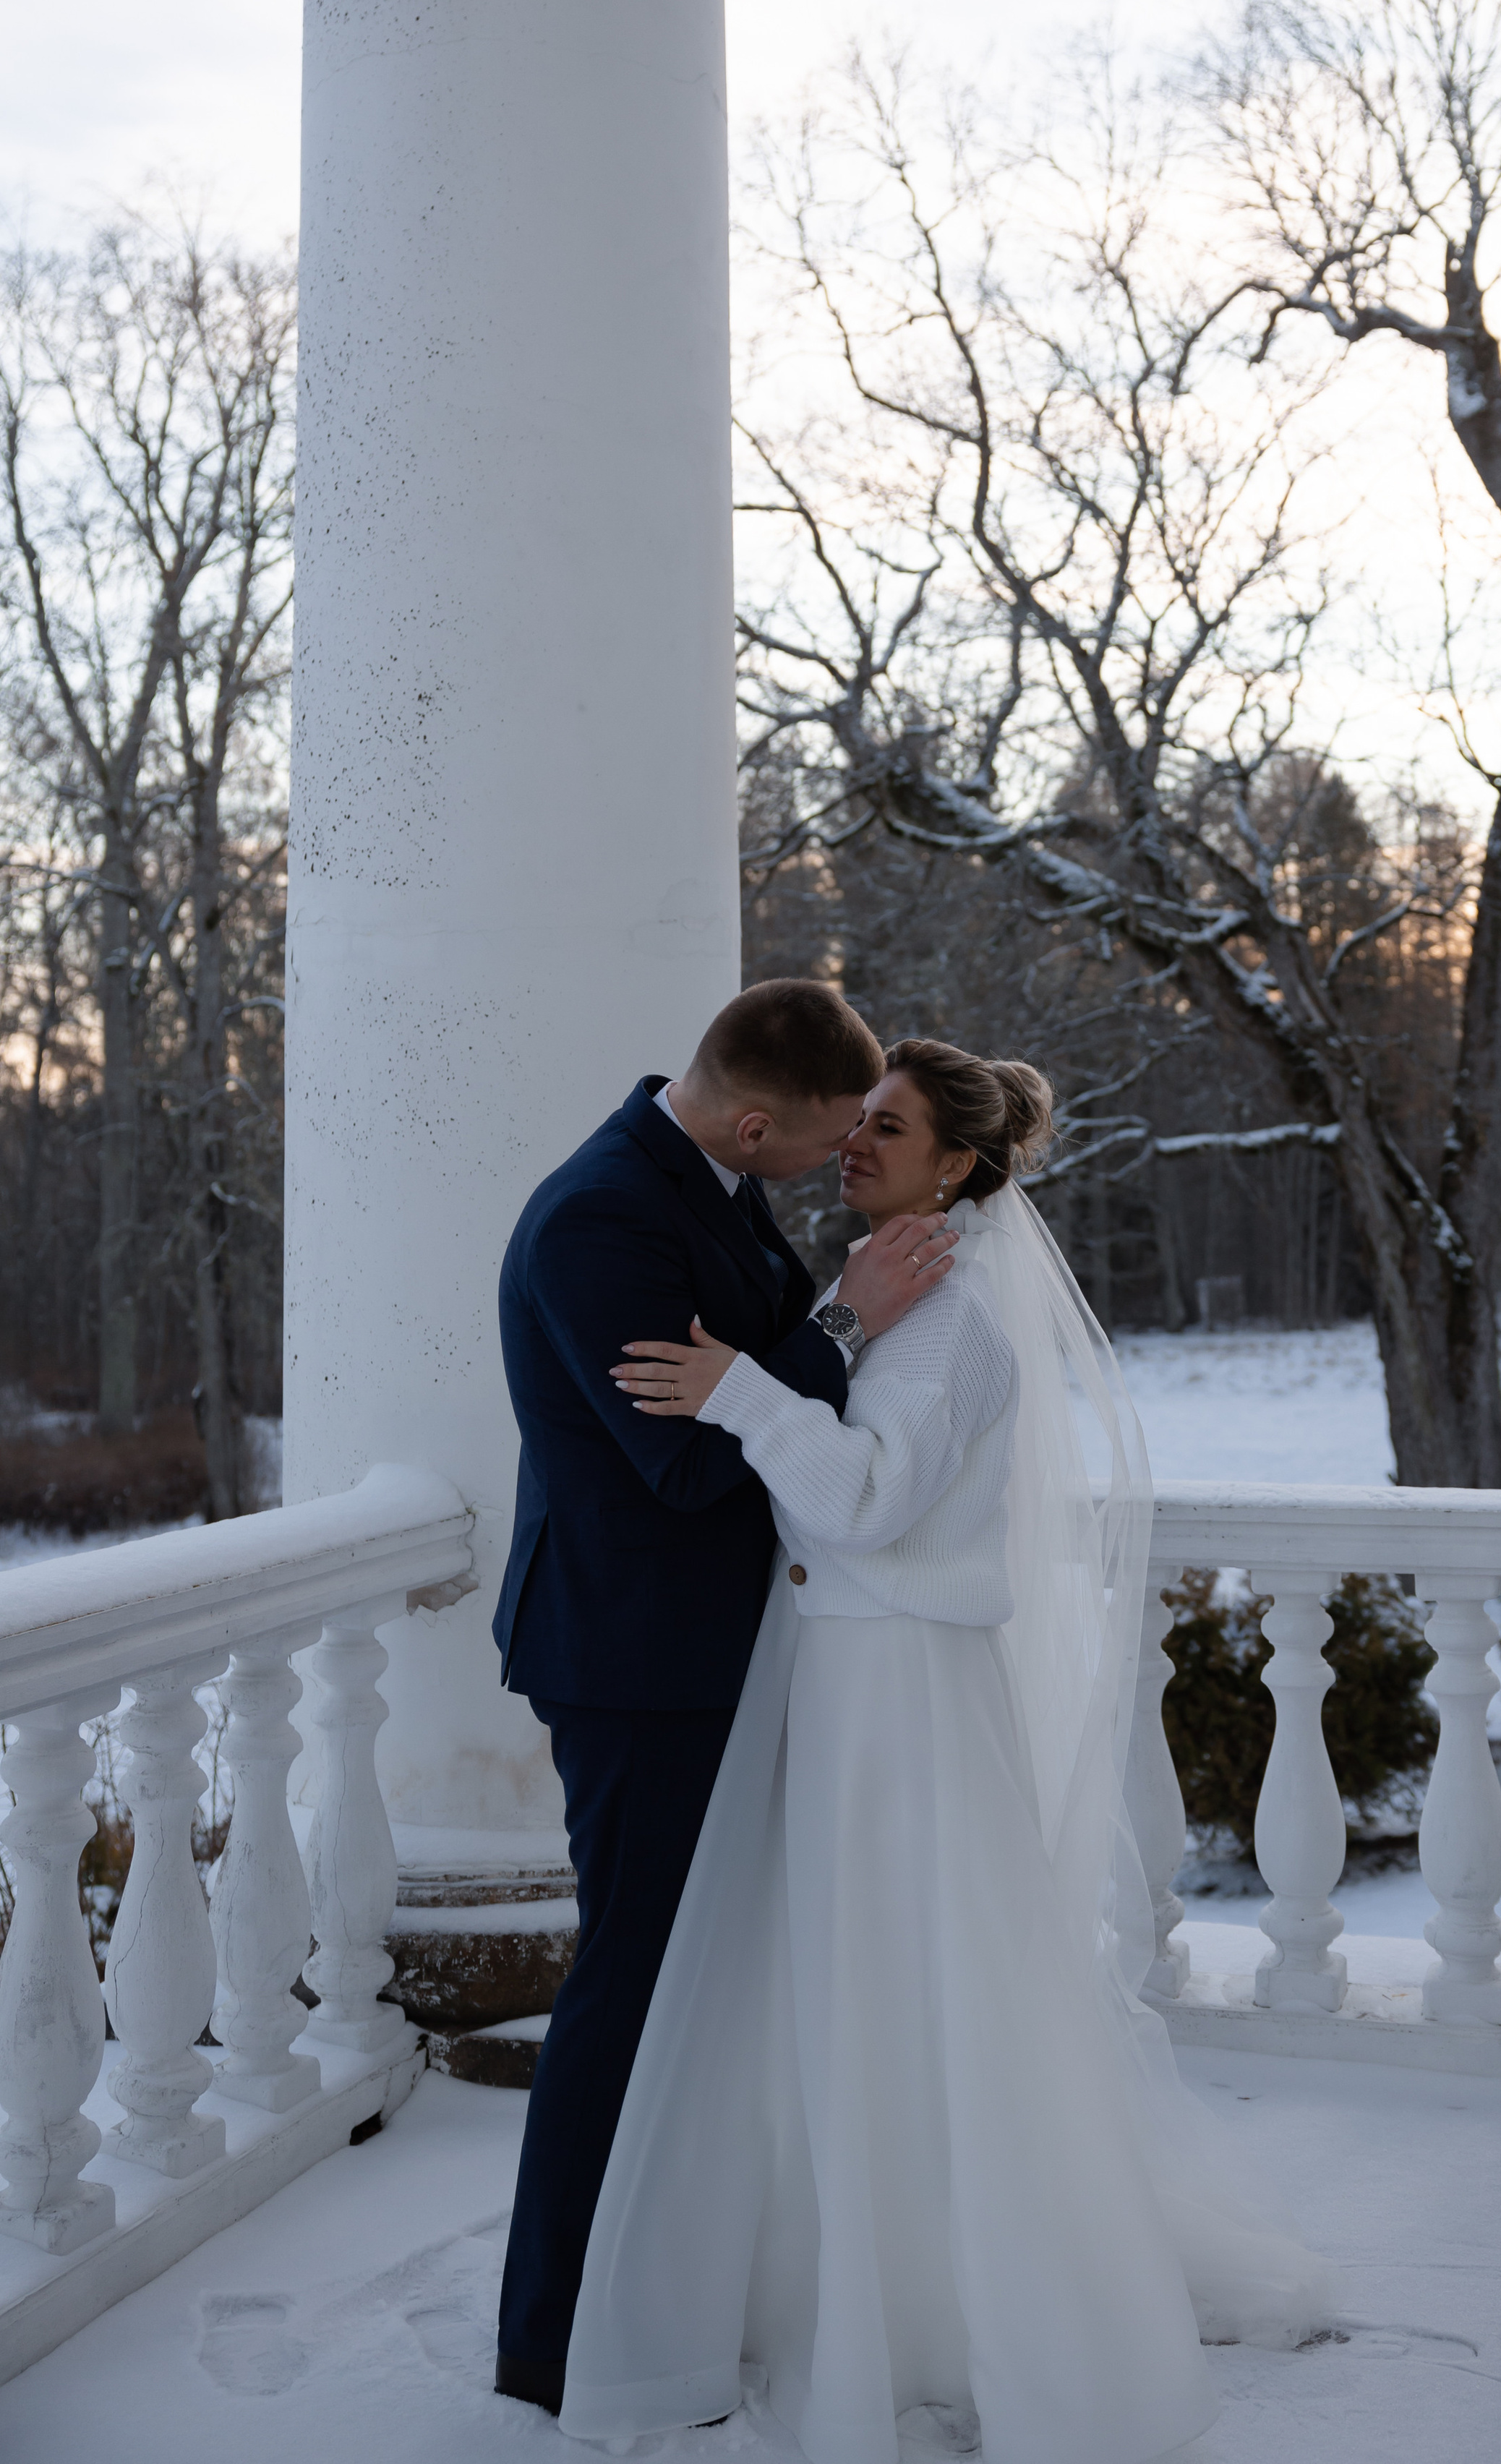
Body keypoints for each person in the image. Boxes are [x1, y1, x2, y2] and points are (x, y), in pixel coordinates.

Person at [563, 1038, 1327, 2464]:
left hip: (900, 1699)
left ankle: (953, 2312)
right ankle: (866, 2282)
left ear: (956, 1164)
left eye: (886, 1129)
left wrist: (734, 1388)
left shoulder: (958, 1323)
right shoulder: (903, 1297)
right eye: (850, 1124)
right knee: (856, 1992)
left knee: (917, 1988)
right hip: (850, 1685)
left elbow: (863, 1501)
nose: (852, 1145)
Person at [492, 983, 959, 2416]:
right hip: (635, 1667)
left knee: (693, 1993)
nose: (836, 1159)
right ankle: (554, 2343)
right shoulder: (599, 1222)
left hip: (719, 1653)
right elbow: (685, 1464)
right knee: (628, 1990)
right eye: (824, 1137)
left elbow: (733, 1374)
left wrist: (785, 1347)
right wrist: (837, 1318)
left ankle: (670, 2291)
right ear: (753, 1119)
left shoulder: (698, 1168)